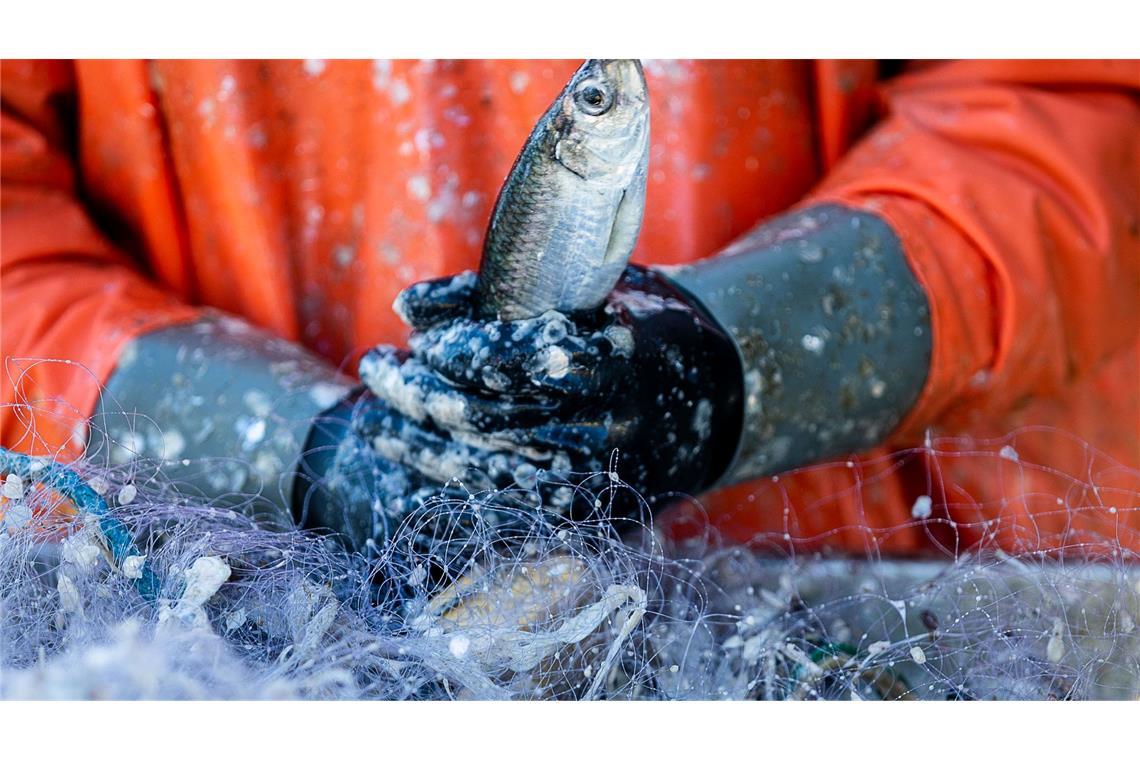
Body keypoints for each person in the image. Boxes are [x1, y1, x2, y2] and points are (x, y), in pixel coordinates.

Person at [3, 60, 1137, 558]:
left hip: (880, 596)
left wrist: (734, 360)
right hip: (234, 623)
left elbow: (1069, 110)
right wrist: (302, 453)